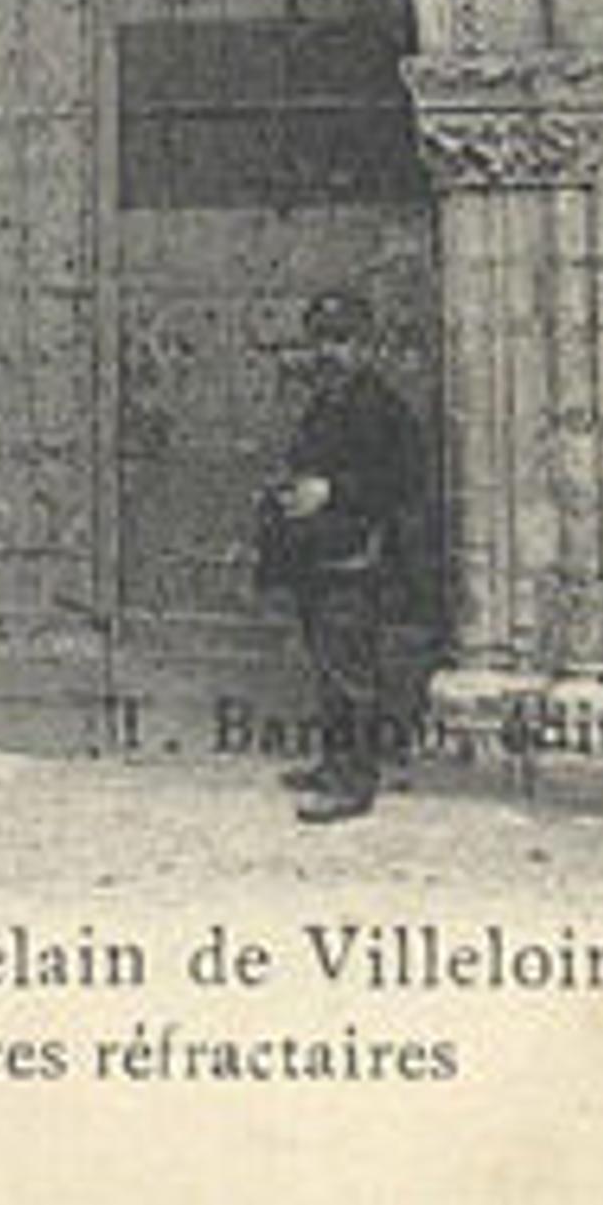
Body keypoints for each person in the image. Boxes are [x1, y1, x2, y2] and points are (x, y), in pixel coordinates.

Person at [255, 288, 421, 823]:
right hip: (320, 551)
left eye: (344, 340)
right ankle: (334, 762)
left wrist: (333, 493)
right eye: (324, 340)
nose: (332, 351)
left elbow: (401, 481)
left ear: (368, 345)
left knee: (352, 668)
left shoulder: (380, 406)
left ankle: (355, 782)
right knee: (328, 662)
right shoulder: (329, 399)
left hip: (355, 554)